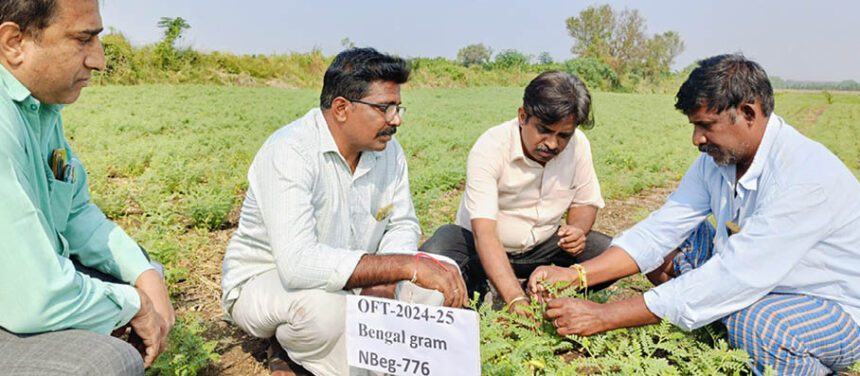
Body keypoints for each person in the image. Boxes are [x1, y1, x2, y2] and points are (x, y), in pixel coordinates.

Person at [528, 54, 860, 375]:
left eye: (705, 125)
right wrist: (576, 275)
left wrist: (604, 316)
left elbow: (736, 276)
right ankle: (718, 323)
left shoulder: (805, 176)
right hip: (761, 283)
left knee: (760, 324)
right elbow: (659, 232)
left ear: (748, 112)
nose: (696, 139)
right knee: (672, 245)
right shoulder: (717, 163)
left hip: (831, 307)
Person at [221, 47, 467, 376]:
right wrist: (400, 266)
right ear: (341, 108)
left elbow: (402, 224)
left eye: (398, 106)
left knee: (441, 276)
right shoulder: (290, 152)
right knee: (327, 314)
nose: (397, 120)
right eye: (385, 108)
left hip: (355, 281)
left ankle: (324, 354)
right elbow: (296, 265)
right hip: (269, 281)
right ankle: (289, 348)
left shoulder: (389, 152)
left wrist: (386, 278)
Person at [0, 0, 175, 374]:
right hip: (18, 296)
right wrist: (136, 305)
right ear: (14, 43)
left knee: (137, 267)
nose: (99, 60)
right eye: (83, 39)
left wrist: (144, 275)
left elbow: (76, 211)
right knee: (107, 362)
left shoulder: (38, 107)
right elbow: (36, 296)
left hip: (20, 285)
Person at [420, 71, 613, 315]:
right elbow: (485, 234)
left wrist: (577, 230)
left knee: (608, 254)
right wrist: (515, 300)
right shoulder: (491, 147)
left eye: (563, 135)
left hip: (542, 247)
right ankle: (489, 287)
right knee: (437, 252)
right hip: (481, 249)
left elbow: (585, 202)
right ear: (522, 116)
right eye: (544, 130)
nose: (552, 144)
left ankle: (540, 290)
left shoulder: (578, 146)